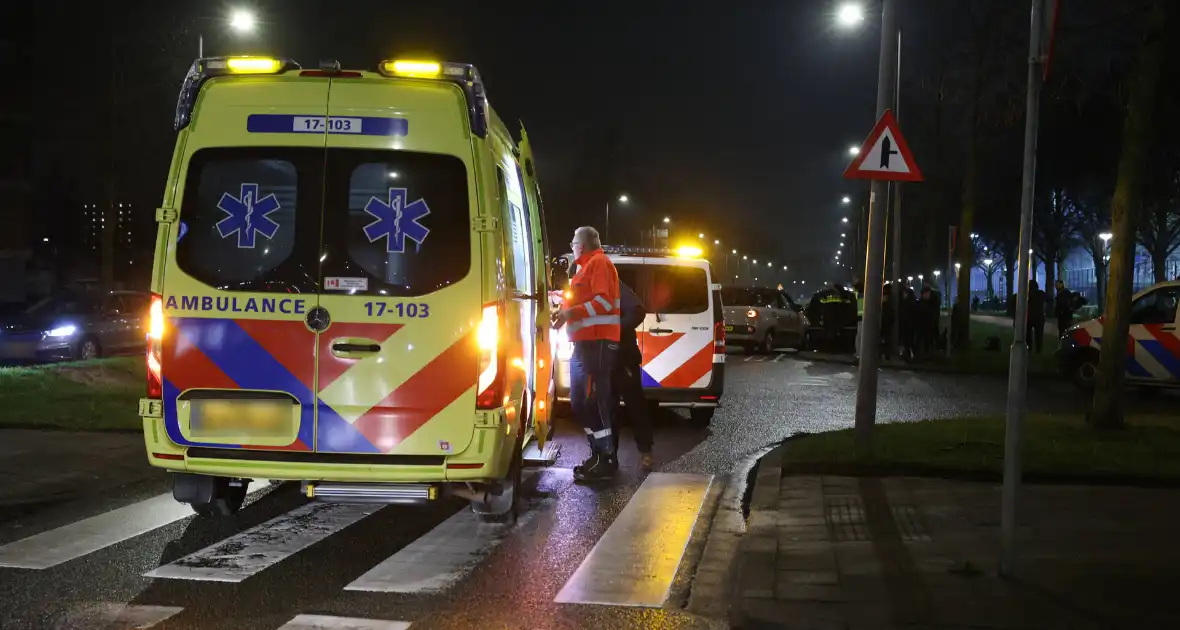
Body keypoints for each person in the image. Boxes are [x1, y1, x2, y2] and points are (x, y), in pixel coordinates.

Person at [554, 226, 621, 483]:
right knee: (580, 404)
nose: (572, 246)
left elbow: (604, 303)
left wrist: (569, 314)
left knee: (594, 402)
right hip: (585, 343)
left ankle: (607, 459)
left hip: (598, 343)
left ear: (580, 246)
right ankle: (597, 454)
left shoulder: (599, 264)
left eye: (573, 243)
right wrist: (563, 310)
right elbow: (584, 301)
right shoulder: (584, 268)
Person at [612, 279, 654, 470]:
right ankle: (608, 456)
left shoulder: (613, 284)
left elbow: (637, 310)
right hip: (602, 359)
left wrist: (615, 330)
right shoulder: (589, 284)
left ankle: (646, 452)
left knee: (635, 405)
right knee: (606, 408)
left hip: (623, 357)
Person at [1027, 280, 1046, 354]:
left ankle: (1029, 348)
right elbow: (1050, 298)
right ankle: (1038, 350)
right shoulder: (1041, 293)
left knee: (1028, 335)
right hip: (1039, 317)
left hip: (1029, 317)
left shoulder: (1027, 294)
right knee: (1039, 335)